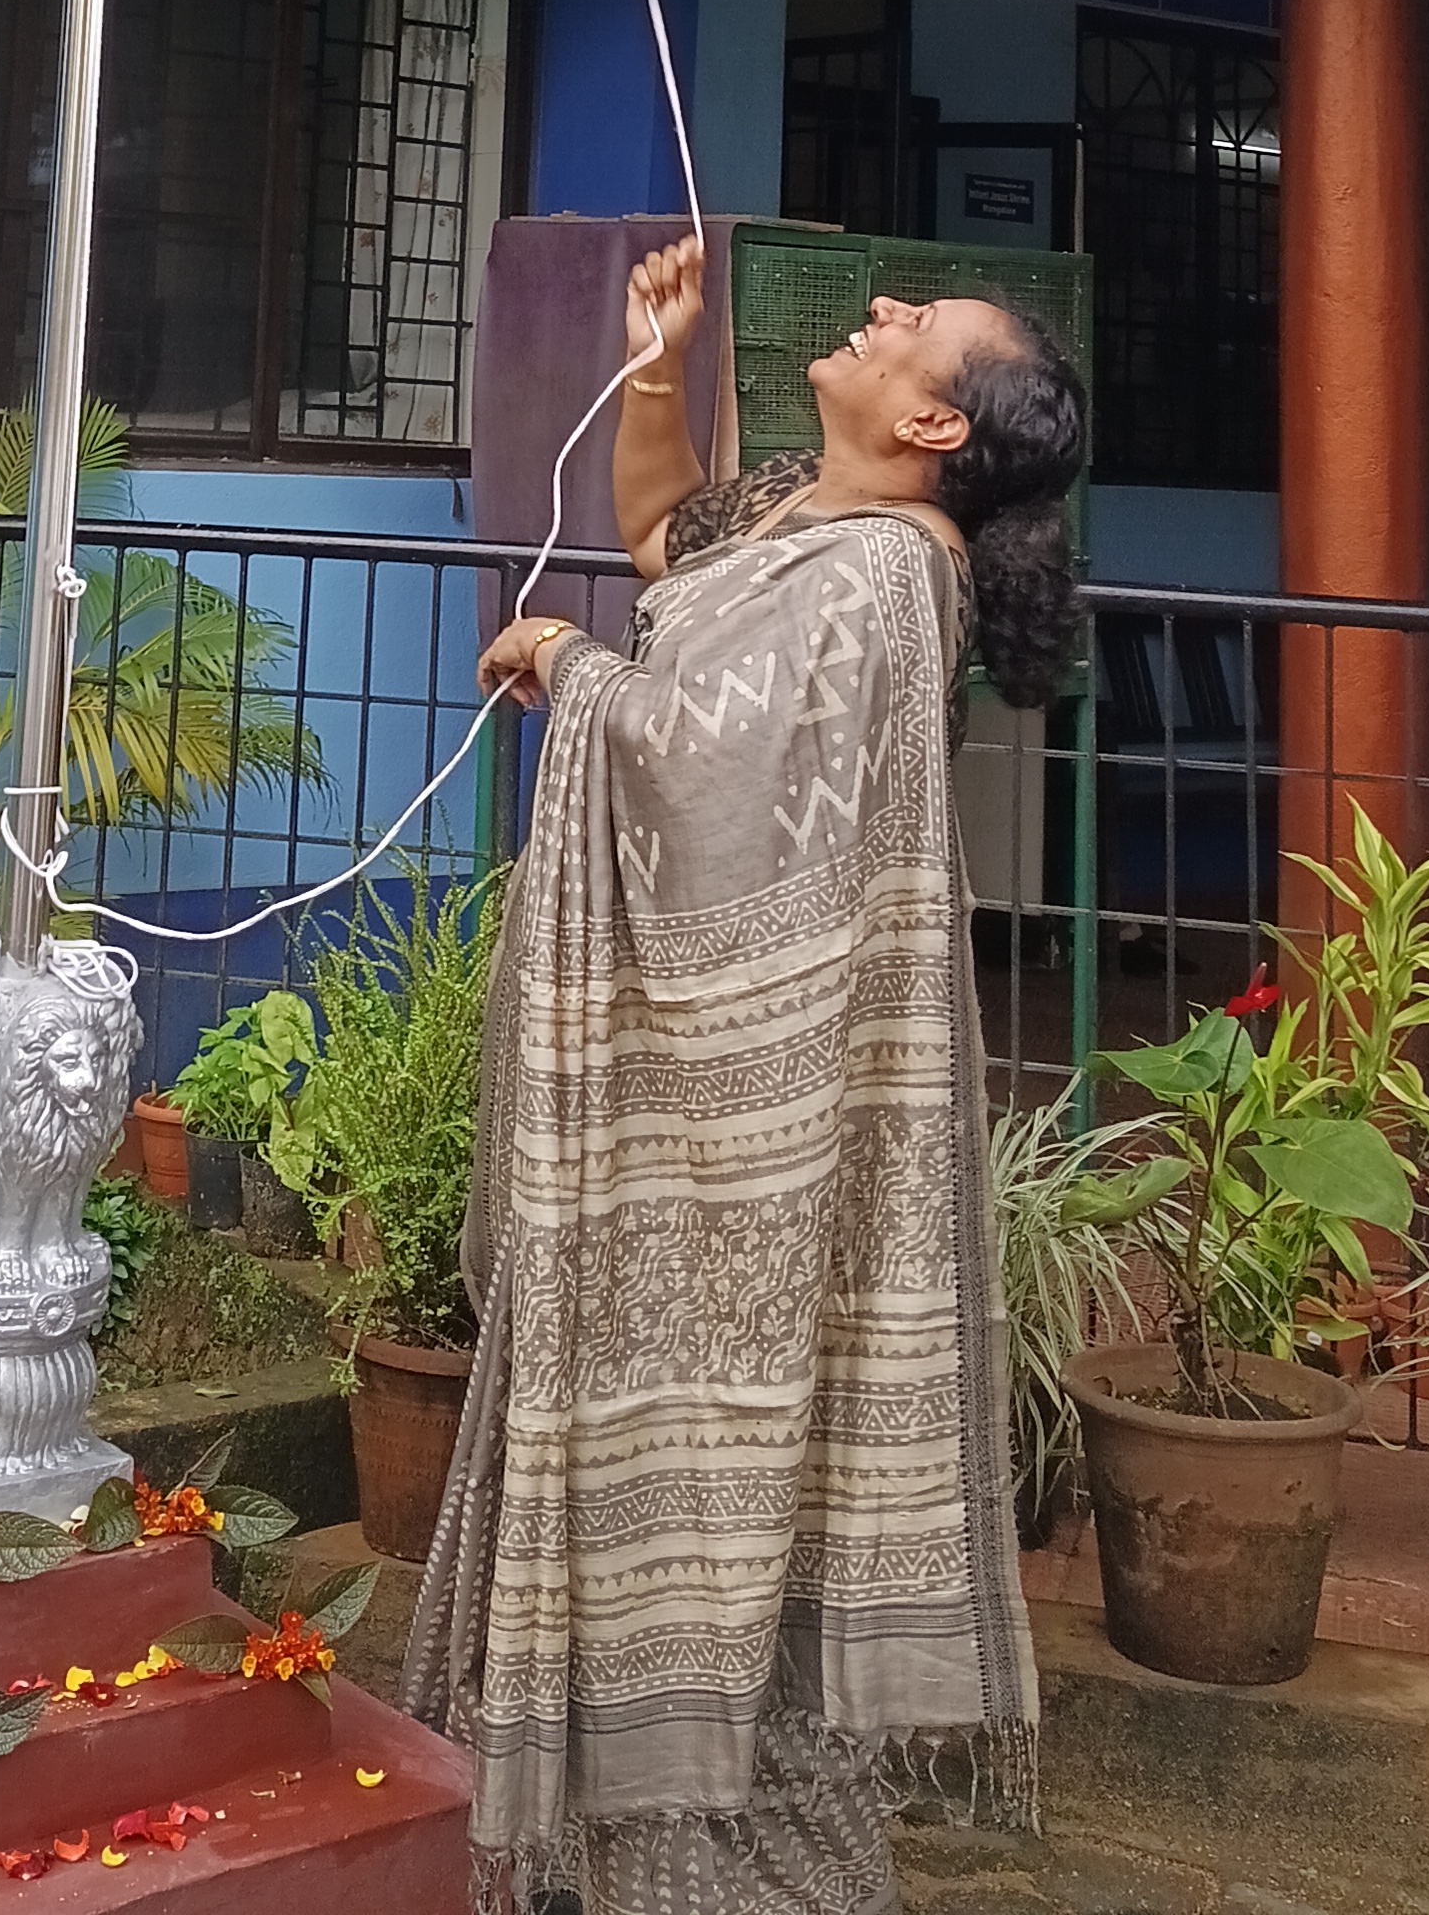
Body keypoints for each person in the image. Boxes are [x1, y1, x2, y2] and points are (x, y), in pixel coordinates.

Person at [403, 239, 1089, 1915]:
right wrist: (661, 358)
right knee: (674, 1472)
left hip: (750, 1117)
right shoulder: (807, 514)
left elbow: (703, 766)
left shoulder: (883, 580)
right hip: (698, 1086)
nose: (885, 309)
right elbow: (662, 535)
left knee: (723, 1480)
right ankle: (629, 1858)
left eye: (919, 323)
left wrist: (568, 663)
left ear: (935, 424)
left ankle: (737, 1876)